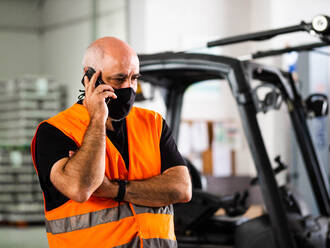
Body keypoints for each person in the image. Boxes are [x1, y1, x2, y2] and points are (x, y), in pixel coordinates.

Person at [31, 36, 192, 248]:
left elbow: (181, 189)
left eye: (134, 78)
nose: (129, 88)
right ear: (90, 77)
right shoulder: (54, 131)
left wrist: (113, 190)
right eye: (119, 79)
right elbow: (80, 189)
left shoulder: (153, 123)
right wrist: (97, 118)